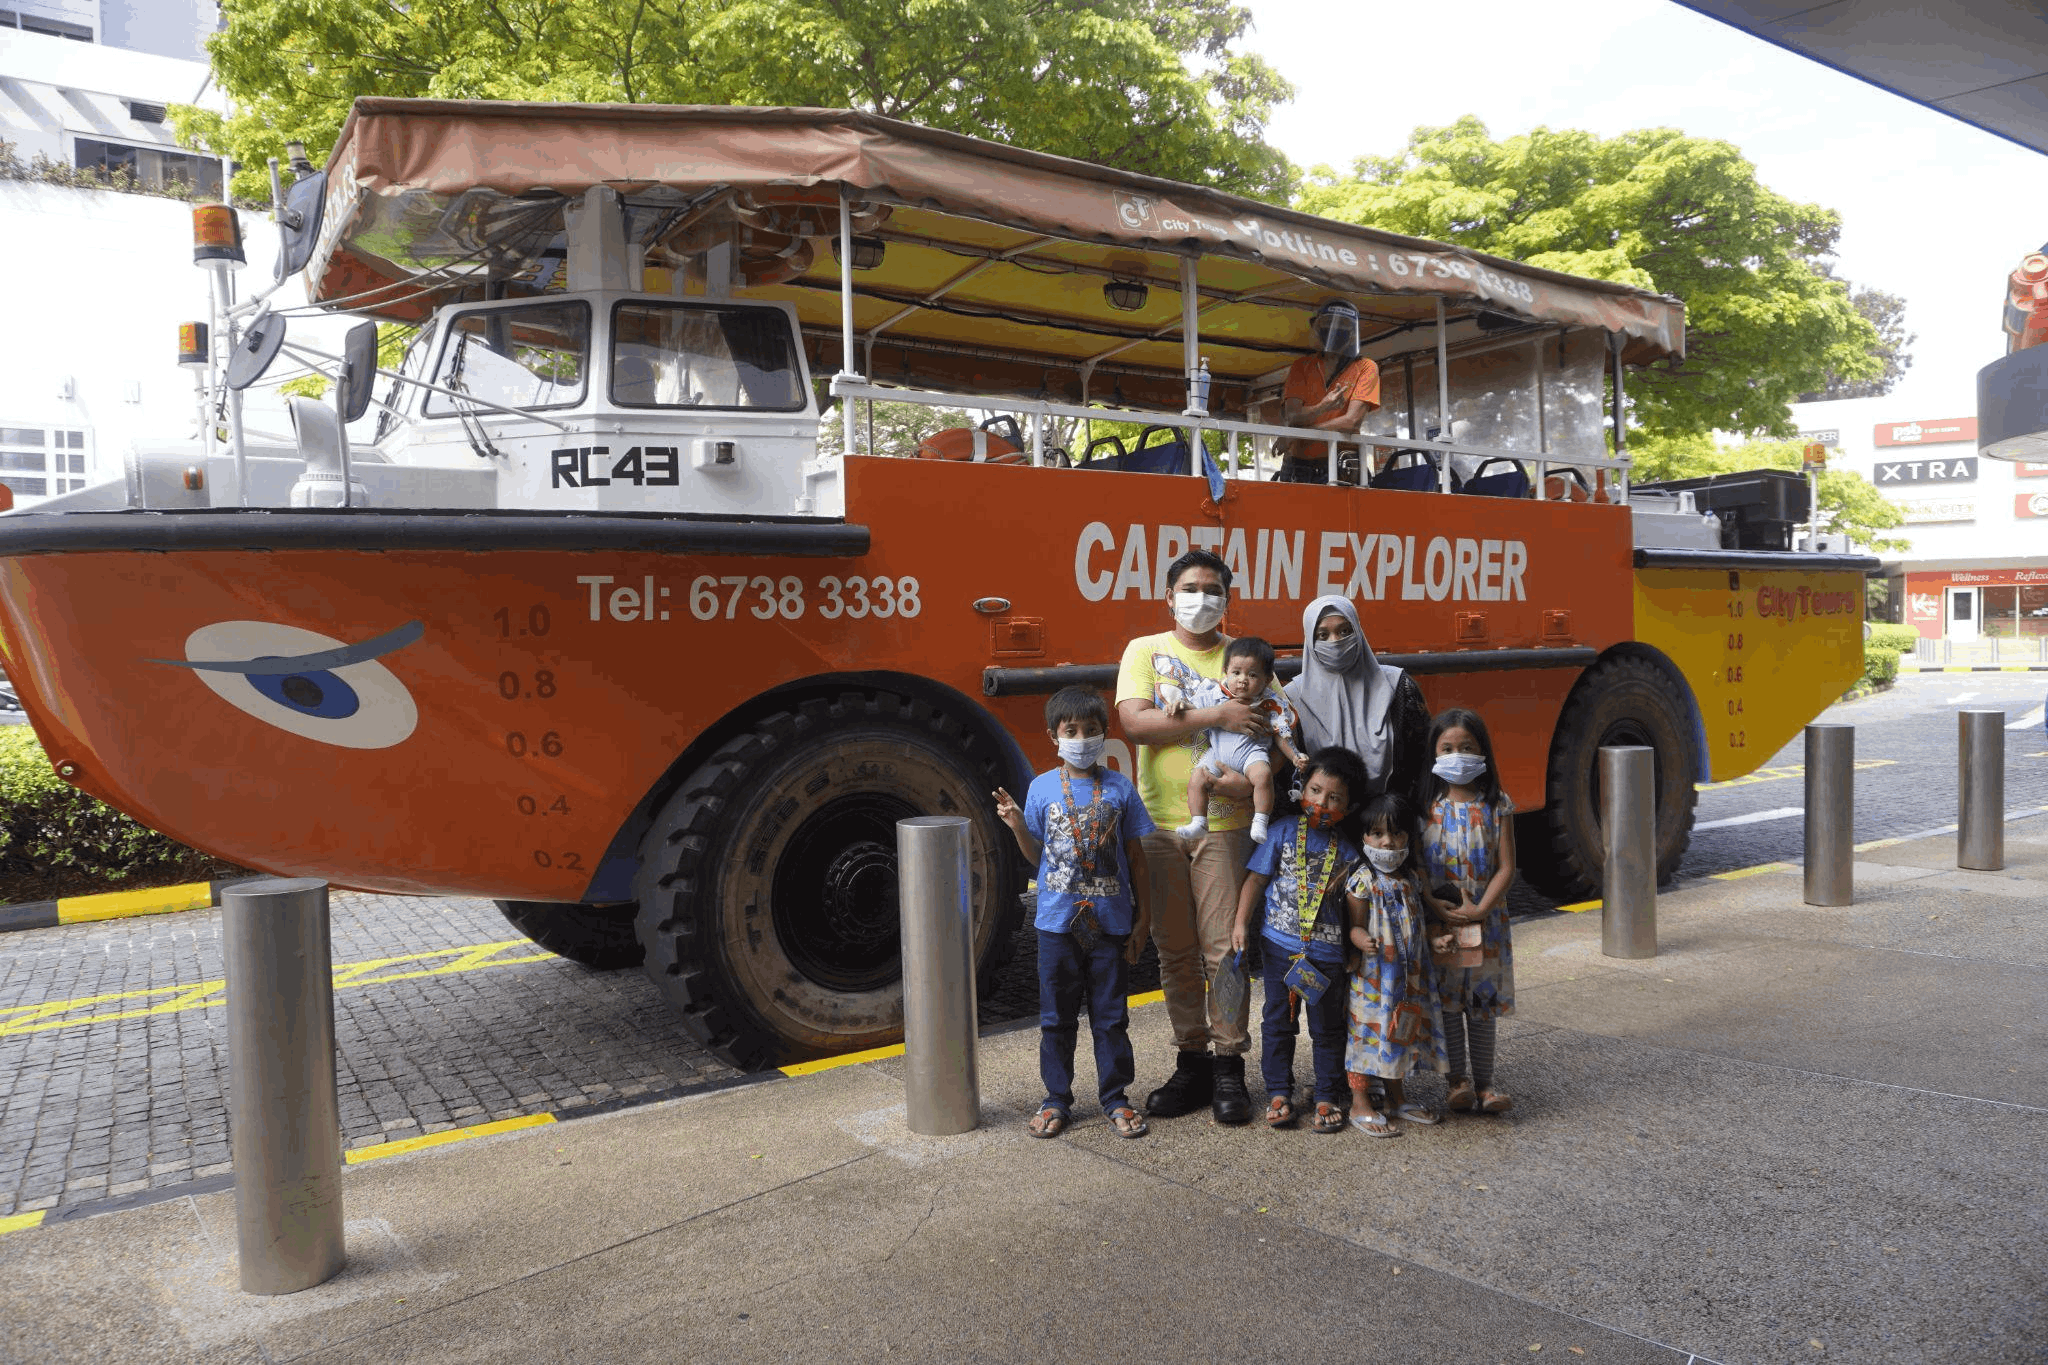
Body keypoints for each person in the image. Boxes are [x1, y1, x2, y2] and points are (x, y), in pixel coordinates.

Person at [1115, 549, 1266, 1125]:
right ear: (1169, 596)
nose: (1200, 598)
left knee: (1224, 950)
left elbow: (1271, 730)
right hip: (1156, 826)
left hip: (1224, 829)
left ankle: (1230, 1066)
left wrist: (1248, 787)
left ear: (1228, 597)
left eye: (1212, 588)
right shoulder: (1145, 652)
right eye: (1189, 588)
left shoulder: (1244, 656)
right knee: (1174, 951)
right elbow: (1135, 724)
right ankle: (1192, 1060)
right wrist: (1216, 718)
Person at [993, 686, 1155, 1140]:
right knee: (1056, 1018)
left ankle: (1115, 1097)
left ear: (1105, 734)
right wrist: (1017, 826)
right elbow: (1036, 857)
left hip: (1111, 925)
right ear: (1054, 735)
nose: (1081, 738)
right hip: (1056, 925)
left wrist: (1144, 921)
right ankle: (1056, 1099)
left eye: (1091, 730)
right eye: (1071, 731)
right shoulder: (1042, 787)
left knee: (1111, 1016)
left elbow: (1137, 858)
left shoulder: (1120, 788)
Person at [1231, 746, 1367, 1136]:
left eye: (1335, 797)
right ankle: (1278, 1092)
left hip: (1327, 955)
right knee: (1278, 1022)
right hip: (1278, 948)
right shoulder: (1281, 832)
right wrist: (1241, 923)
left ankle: (1326, 1093)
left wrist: (1354, 951)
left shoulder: (1350, 853)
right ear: (1301, 789)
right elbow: (1255, 880)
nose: (1322, 802)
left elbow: (1358, 907)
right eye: (1316, 790)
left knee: (1326, 1028)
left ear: (1350, 805)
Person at [1421, 707, 1518, 1115]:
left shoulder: (1497, 804)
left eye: (1466, 747)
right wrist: (1432, 904)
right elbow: (1417, 869)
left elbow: (1508, 866)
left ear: (1482, 752)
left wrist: (1482, 908)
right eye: (1447, 748)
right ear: (1434, 752)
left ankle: (1486, 1084)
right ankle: (1456, 1081)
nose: (1456, 754)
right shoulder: (1424, 806)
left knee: (1481, 1003)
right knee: (1447, 1002)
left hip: (1487, 922)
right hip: (1441, 923)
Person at [1342, 789, 1451, 1137]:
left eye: (1396, 833)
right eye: (1377, 834)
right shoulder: (1363, 880)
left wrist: (1436, 939)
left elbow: (1418, 922)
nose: (1387, 842)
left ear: (1408, 836)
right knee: (1367, 1035)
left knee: (1399, 1035)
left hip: (1406, 979)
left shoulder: (1410, 880)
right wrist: (1361, 940)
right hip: (1374, 979)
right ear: (1364, 837)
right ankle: (1360, 1101)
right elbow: (1354, 926)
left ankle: (1396, 1096)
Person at [1284, 595, 1432, 806]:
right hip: (1323, 824)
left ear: (1358, 631)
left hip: (1388, 824)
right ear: (1309, 640)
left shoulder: (1397, 686)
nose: (1335, 642)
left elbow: (1422, 762)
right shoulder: (1293, 698)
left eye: (1345, 631)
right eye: (1323, 635)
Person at [1168, 636, 1304, 845]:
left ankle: (1260, 819)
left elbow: (1281, 734)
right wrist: (1181, 705)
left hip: (1252, 752)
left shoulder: (1270, 703)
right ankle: (1199, 821)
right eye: (1236, 673)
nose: (1242, 680)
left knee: (1263, 776)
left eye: (1252, 675)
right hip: (1217, 753)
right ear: (1226, 672)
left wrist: (1295, 756)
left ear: (1268, 679)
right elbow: (1196, 708)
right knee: (1197, 779)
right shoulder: (1215, 693)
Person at [1275, 299, 1381, 485]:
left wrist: (1298, 434)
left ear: (1352, 333)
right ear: (1317, 328)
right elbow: (1293, 416)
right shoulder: (1302, 366)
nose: (1333, 330)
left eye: (1341, 325)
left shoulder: (1365, 367)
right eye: (1327, 324)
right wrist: (1324, 406)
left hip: (1341, 464)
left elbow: (1352, 421)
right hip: (1297, 466)